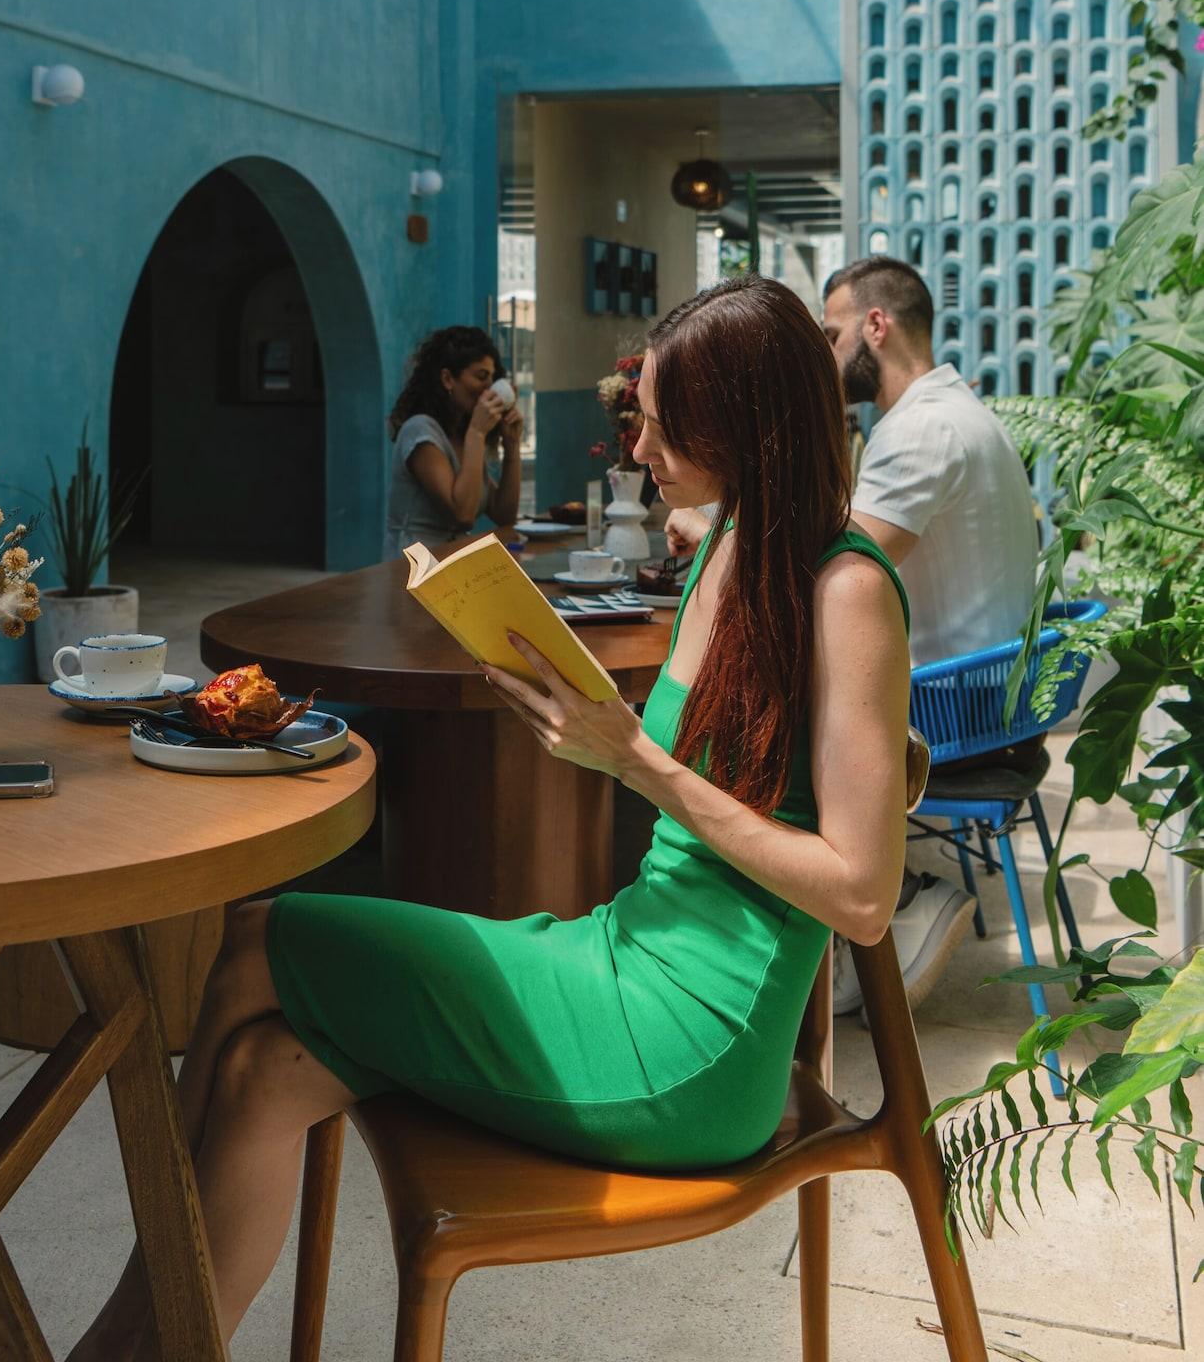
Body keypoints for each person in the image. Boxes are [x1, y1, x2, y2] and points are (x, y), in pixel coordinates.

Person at [72, 275, 912, 1354]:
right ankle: (137, 1342)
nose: (637, 448)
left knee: (263, 934)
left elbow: (863, 893)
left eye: (659, 426)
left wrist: (637, 761)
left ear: (740, 425)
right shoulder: (729, 540)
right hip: (622, 952)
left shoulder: (846, 589)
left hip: (691, 1042)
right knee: (257, 1071)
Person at [669, 256, 1038, 1014]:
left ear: (876, 326)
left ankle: (887, 902)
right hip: (995, 685)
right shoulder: (960, 409)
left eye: (832, 332)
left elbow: (816, 570)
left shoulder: (920, 432)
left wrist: (713, 527)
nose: (827, 353)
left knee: (746, 720)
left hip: (949, 703)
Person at [382, 324, 523, 559]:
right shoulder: (420, 431)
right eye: (481, 377)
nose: (489, 389)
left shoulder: (461, 435)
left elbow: (504, 515)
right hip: (414, 569)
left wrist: (512, 446)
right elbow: (462, 514)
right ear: (448, 379)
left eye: (492, 378)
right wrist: (477, 433)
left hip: (454, 565)